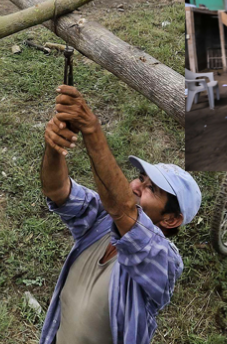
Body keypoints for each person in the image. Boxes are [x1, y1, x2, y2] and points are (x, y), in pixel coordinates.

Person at [40, 86, 201, 344]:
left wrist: (91, 129)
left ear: (171, 219)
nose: (136, 186)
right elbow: (58, 190)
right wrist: (54, 147)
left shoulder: (163, 262)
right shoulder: (104, 219)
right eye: (140, 178)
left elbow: (123, 209)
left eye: (152, 189)